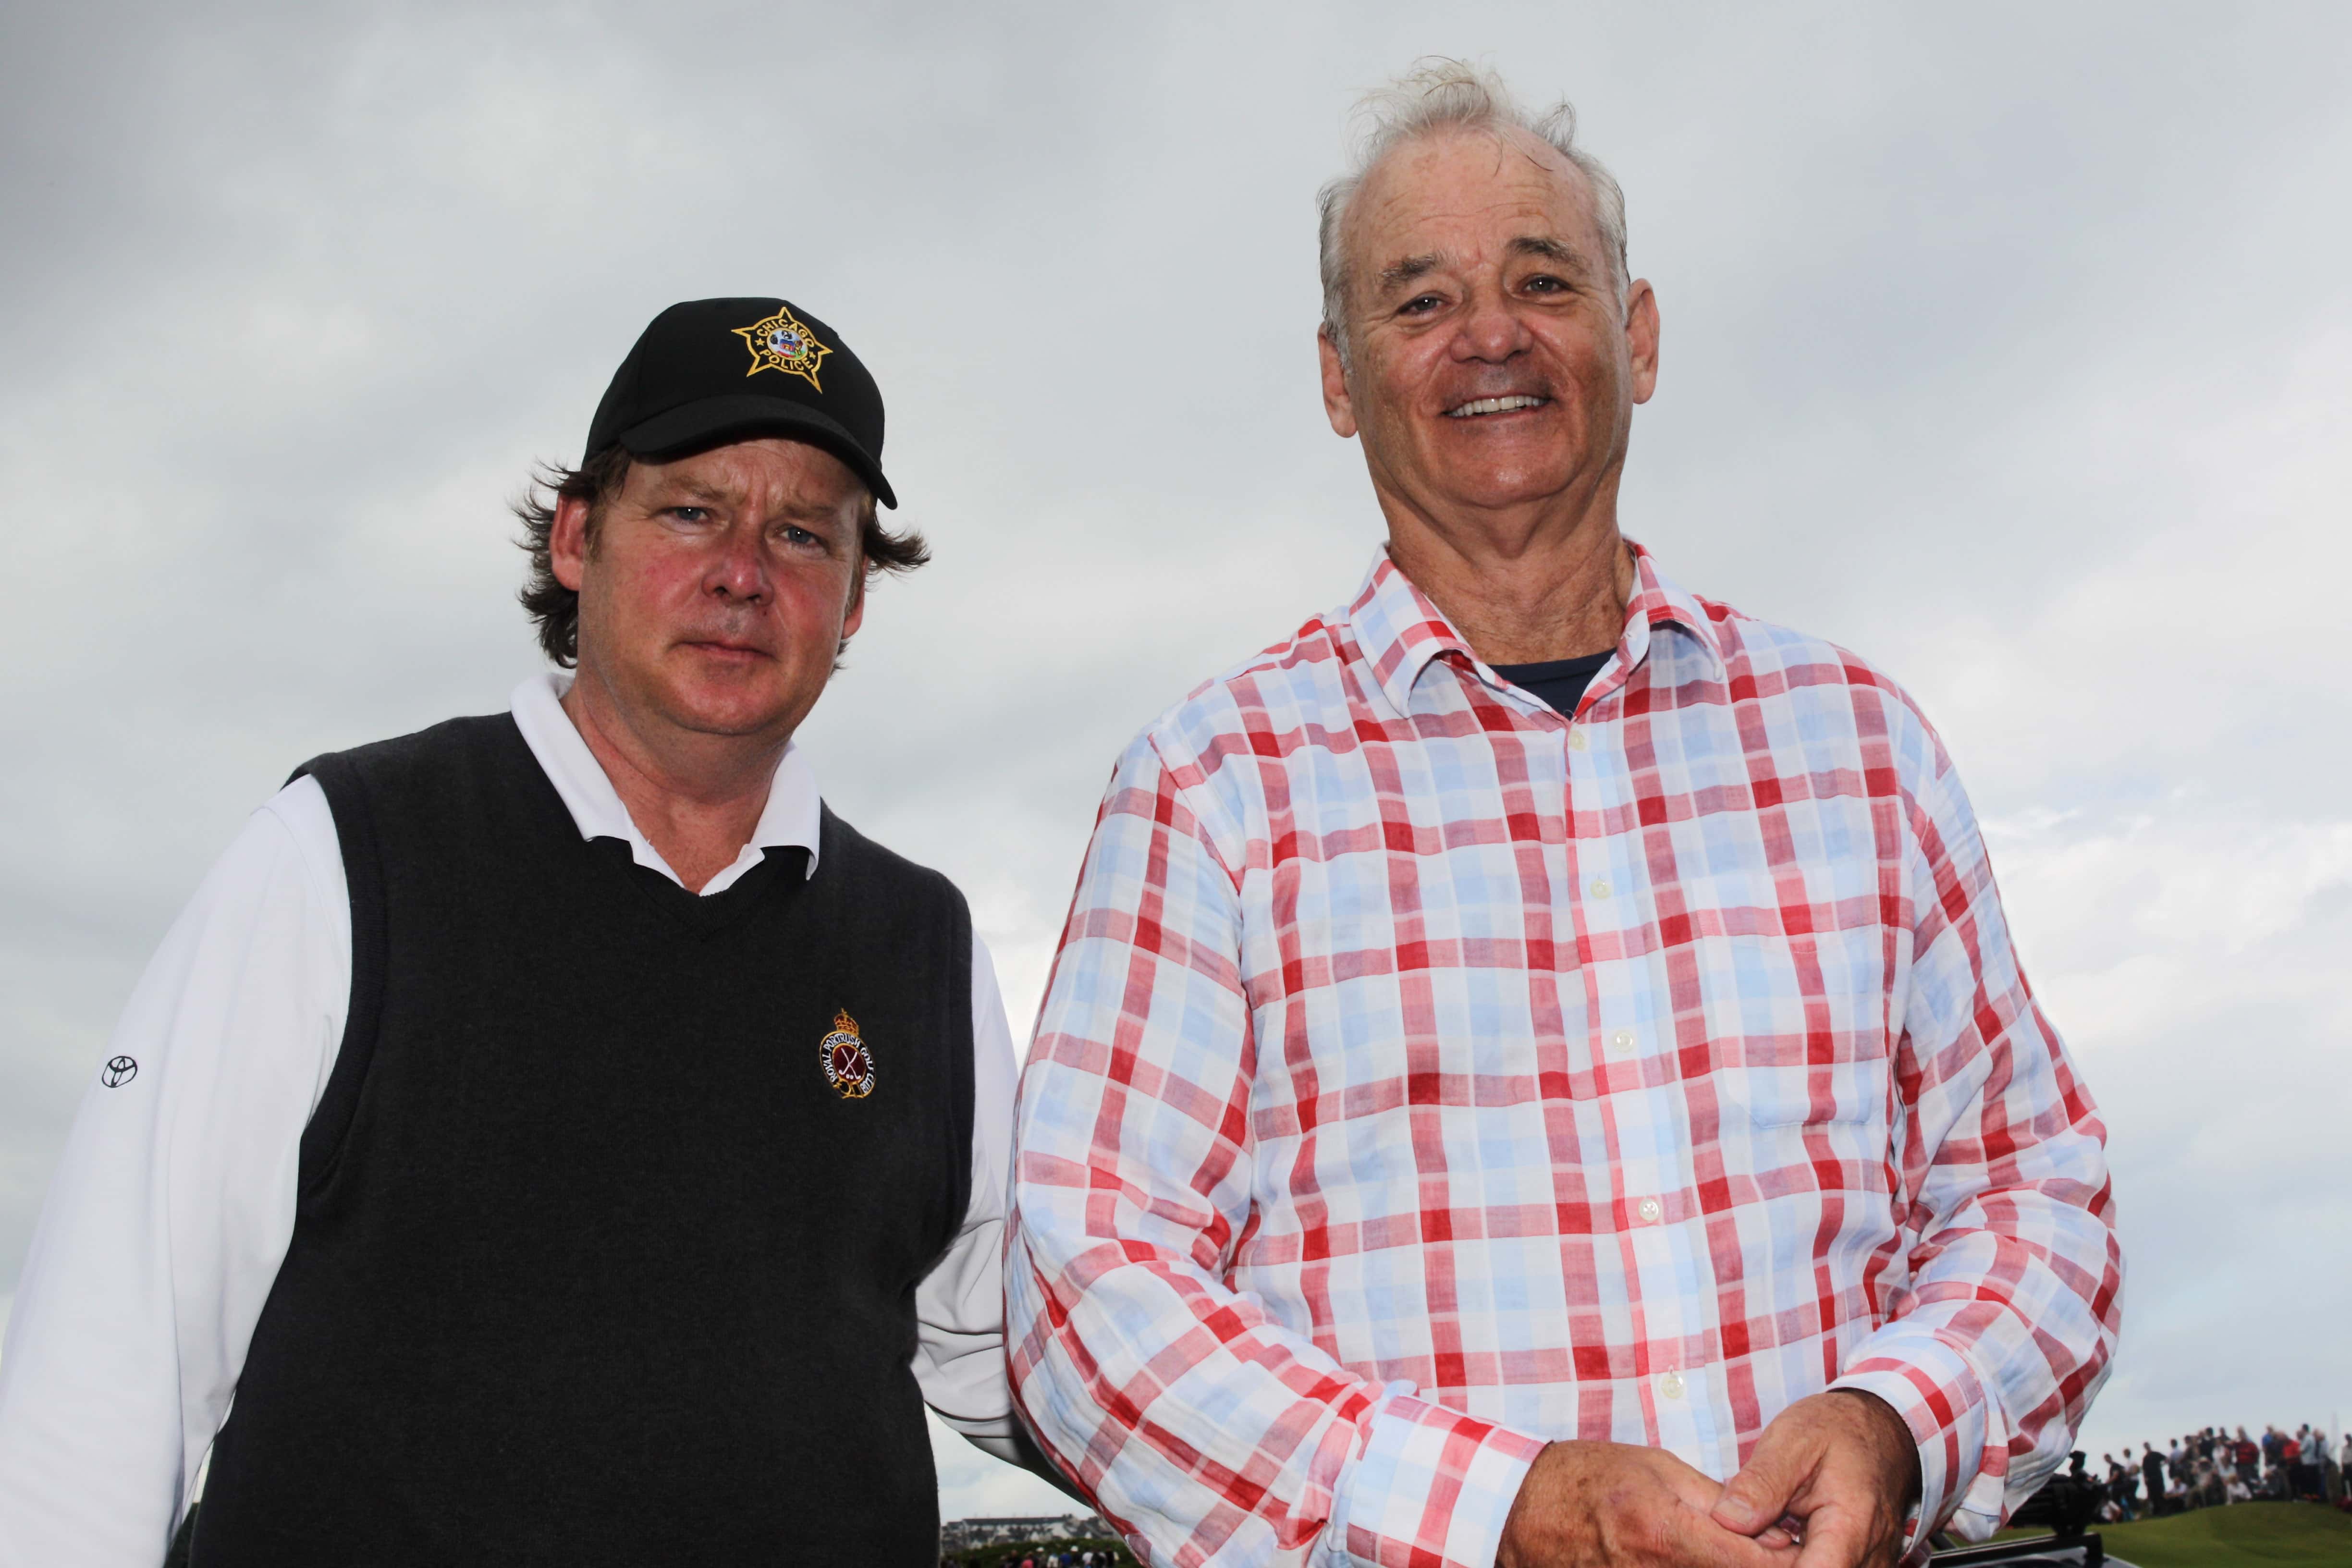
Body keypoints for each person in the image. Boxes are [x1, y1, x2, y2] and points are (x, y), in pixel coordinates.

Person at [1004, 58, 2122, 1568]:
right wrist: (1495, 1510)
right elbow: (1089, 1294)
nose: (1490, 337)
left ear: (1637, 335)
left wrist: (1897, 1420)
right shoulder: (1214, 790)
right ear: (1339, 380)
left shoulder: (1861, 747)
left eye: (1542, 278)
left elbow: (2031, 1192)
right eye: (1418, 302)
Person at [0, 298, 1060, 1565]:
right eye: (690, 511)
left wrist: (1306, 1436)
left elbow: (1011, 1351)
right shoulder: (348, 851)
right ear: (575, 539)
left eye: (802, 534)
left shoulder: (923, 944)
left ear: (853, 606)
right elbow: (114, 1361)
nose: (742, 573)